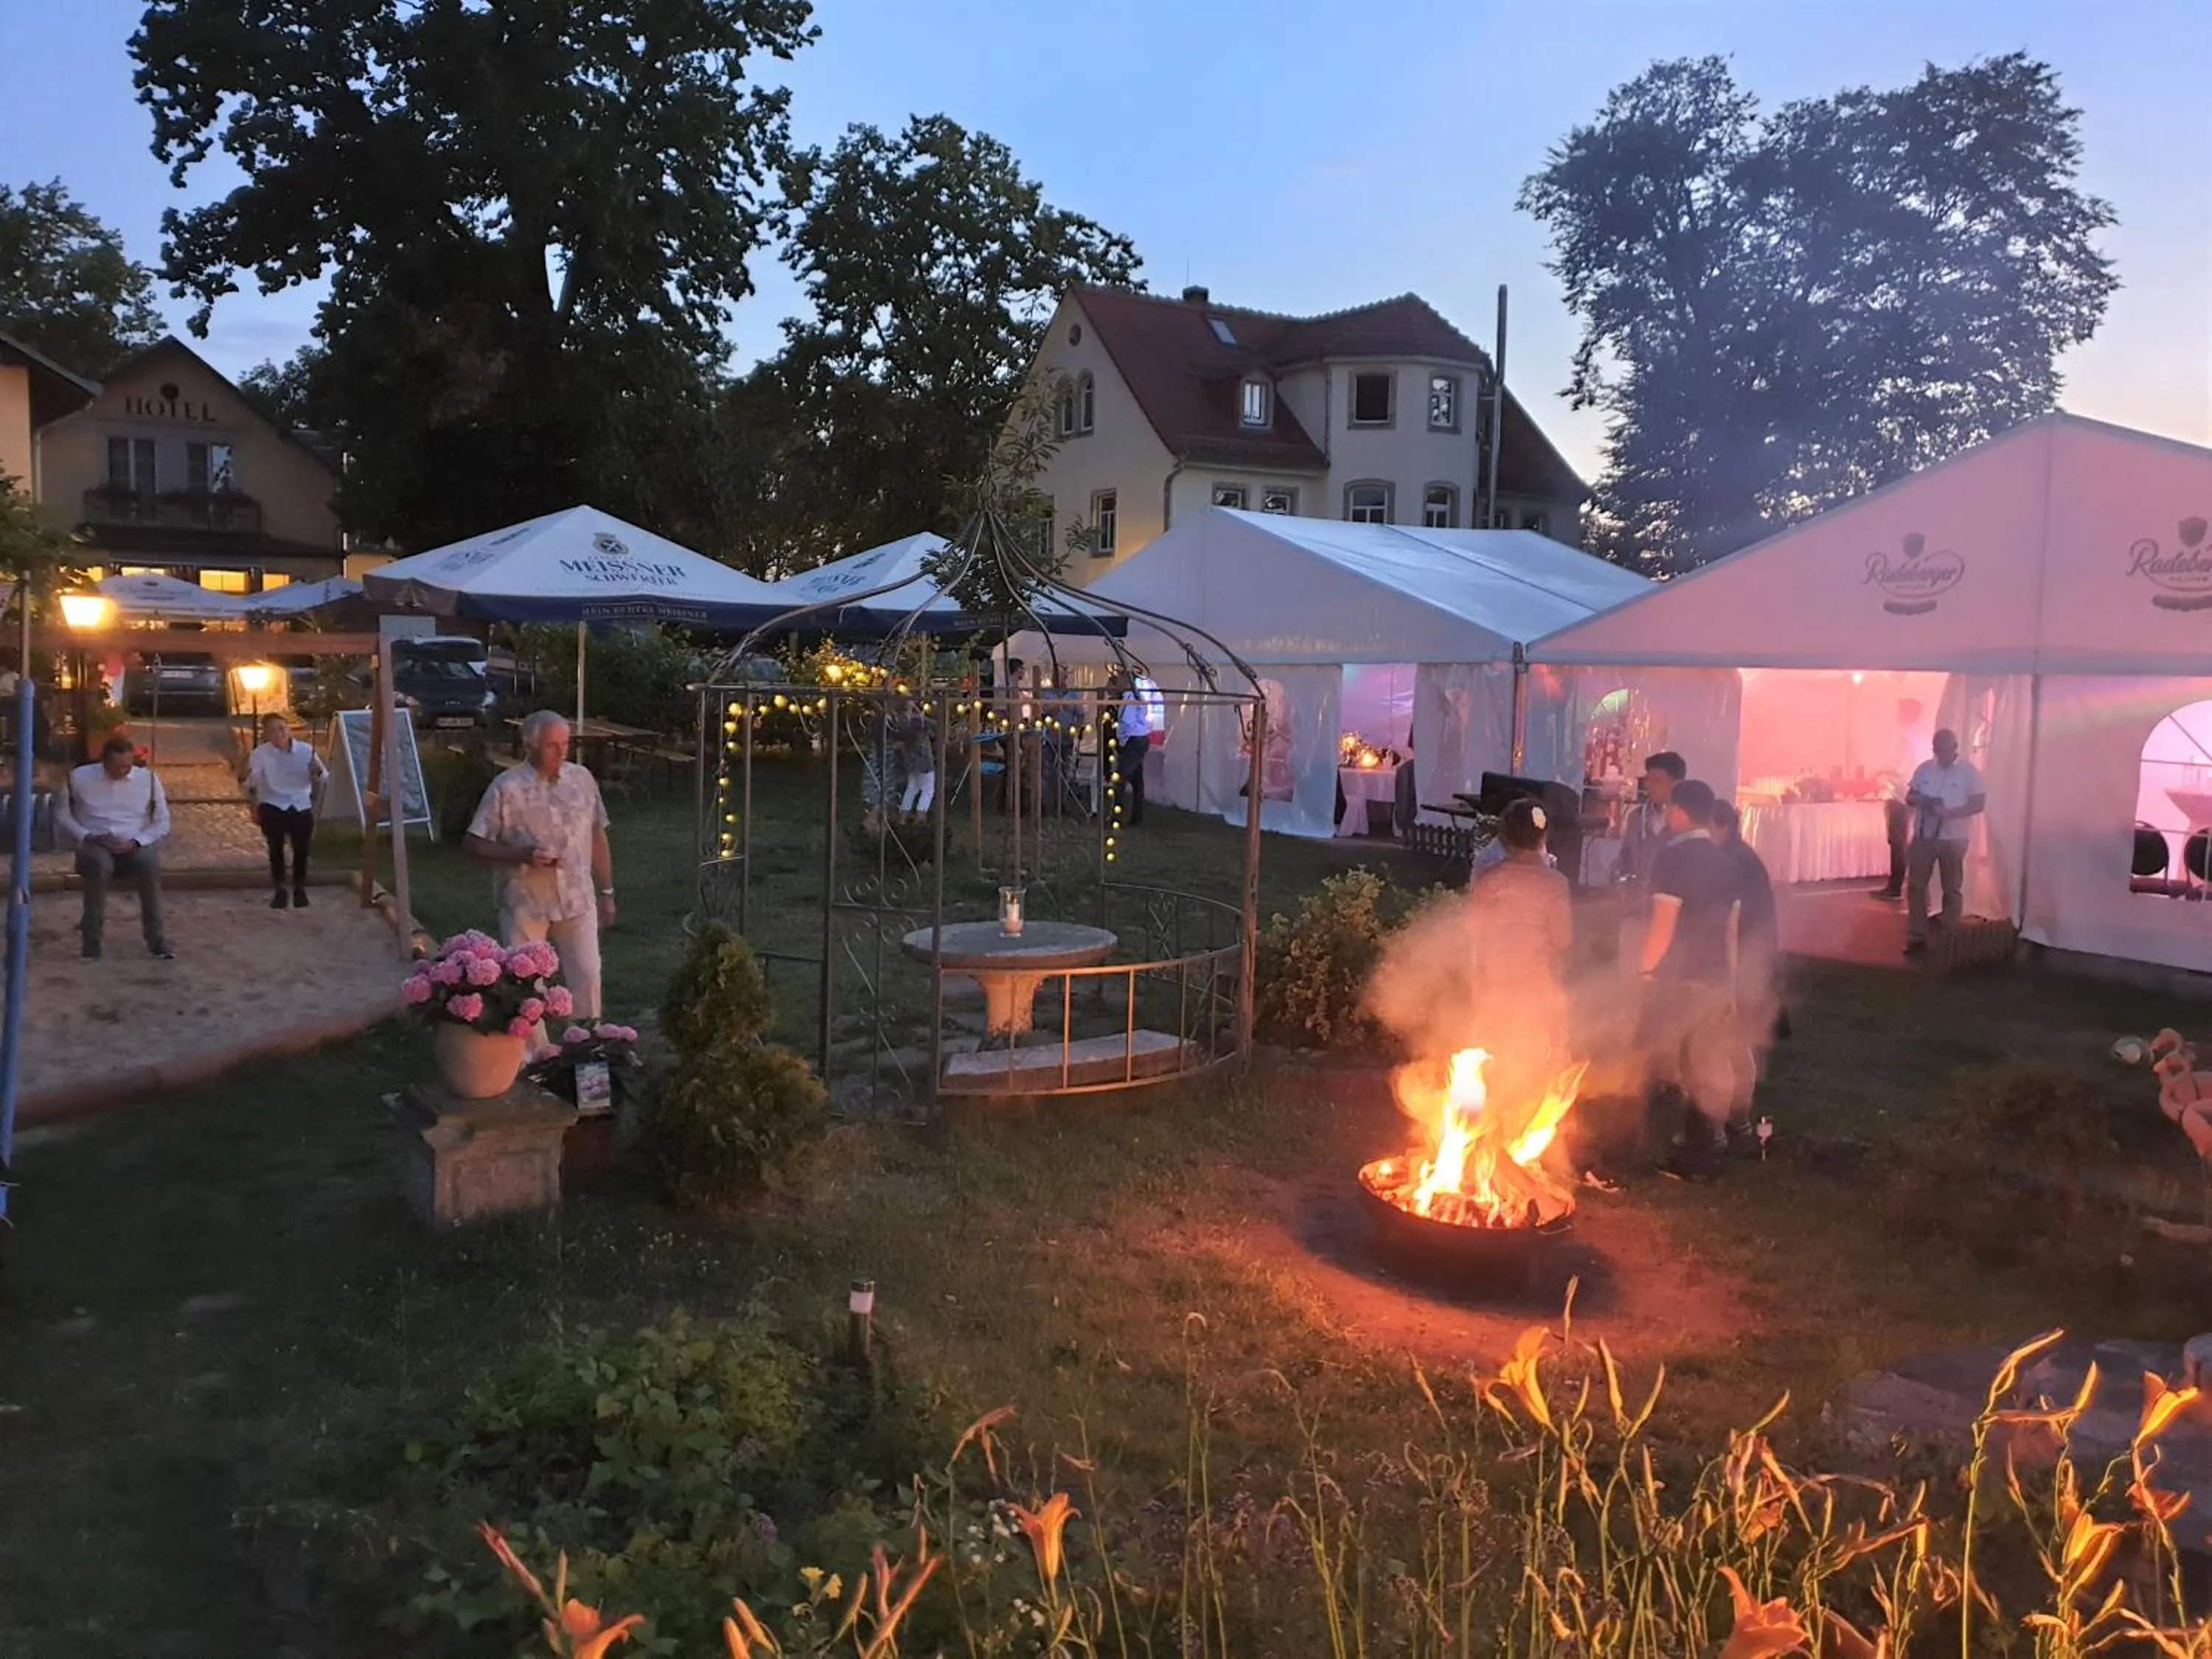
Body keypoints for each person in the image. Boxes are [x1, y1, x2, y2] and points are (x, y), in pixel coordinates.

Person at [465, 710, 615, 1020]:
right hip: (526, 902)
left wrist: (608, 891)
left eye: (565, 743)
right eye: (551, 745)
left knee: (587, 976)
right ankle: (535, 1057)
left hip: (577, 898)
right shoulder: (506, 788)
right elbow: (473, 843)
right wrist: (520, 855)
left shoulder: (582, 780)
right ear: (530, 746)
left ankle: (588, 1050)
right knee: (528, 986)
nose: (562, 752)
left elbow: (597, 834)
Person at [1636, 779, 1740, 1180]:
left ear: (1679, 811)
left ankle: (1658, 1152)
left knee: (1662, 1066)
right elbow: (1731, 930)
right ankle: (1701, 1154)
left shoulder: (1673, 860)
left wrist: (1644, 970)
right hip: (1713, 981)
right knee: (1702, 1070)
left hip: (1678, 982)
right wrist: (1730, 986)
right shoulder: (1726, 863)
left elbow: (1664, 927)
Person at [1464, 798, 1575, 1115]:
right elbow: (1563, 940)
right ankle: (1523, 1124)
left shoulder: (1489, 880)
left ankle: (1487, 1128)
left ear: (1506, 837)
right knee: (1534, 1062)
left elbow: (1474, 934)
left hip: (1494, 985)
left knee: (1492, 1058)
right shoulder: (1555, 884)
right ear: (1544, 838)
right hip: (1536, 989)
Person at [54, 732, 173, 961]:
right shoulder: (78, 778)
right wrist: (87, 836)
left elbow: (162, 821)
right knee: (99, 867)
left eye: (127, 767)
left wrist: (137, 841)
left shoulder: (147, 780)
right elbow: (62, 815)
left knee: (150, 866)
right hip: (95, 841)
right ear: (103, 762)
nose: (121, 771)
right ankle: (92, 942)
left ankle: (156, 939)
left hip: (134, 841)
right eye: (116, 767)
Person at [1712, 800, 1781, 1135]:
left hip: (1746, 961)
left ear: (1721, 826)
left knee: (1736, 1041)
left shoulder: (1736, 863)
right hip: (1747, 957)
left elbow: (1736, 922)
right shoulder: (1738, 857)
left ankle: (1737, 1120)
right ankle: (1728, 1116)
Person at [1903, 728, 1985, 956]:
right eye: (1937, 750)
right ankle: (1916, 936)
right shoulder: (1925, 769)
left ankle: (1949, 935)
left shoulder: (1968, 772)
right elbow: (1909, 797)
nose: (1941, 755)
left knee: (1952, 887)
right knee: (1916, 886)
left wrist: (1951, 813)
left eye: (1946, 750)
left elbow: (1979, 803)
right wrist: (1925, 802)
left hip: (1953, 838)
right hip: (1924, 837)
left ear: (1955, 748)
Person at [246, 712, 329, 909]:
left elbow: (325, 778)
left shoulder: (306, 751)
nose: (280, 733)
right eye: (274, 730)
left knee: (302, 849)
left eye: (282, 728)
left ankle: (300, 888)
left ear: (289, 729)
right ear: (266, 734)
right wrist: (251, 794)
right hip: (273, 803)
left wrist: (316, 773)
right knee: (275, 848)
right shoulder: (260, 754)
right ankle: (280, 889)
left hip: (300, 803)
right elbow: (253, 781)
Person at [1617, 752, 1686, 892]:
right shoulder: (1636, 818)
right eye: (1648, 780)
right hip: (1637, 904)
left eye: (1658, 781)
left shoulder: (1687, 821)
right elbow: (1625, 859)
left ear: (1676, 784)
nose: (1650, 787)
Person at [1113, 669, 1152, 827]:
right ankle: (1136, 818)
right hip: (1140, 738)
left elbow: (1126, 721)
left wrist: (1122, 741)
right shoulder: (1138, 696)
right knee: (1137, 781)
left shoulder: (1129, 697)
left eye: (1120, 681)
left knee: (1120, 779)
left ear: (1128, 682)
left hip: (1133, 740)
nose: (1118, 684)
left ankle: (1118, 817)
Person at [896, 700, 936, 825]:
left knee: (912, 788)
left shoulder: (899, 721)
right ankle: (920, 818)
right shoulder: (916, 720)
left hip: (909, 758)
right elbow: (935, 724)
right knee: (928, 789)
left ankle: (903, 819)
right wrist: (918, 712)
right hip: (922, 759)